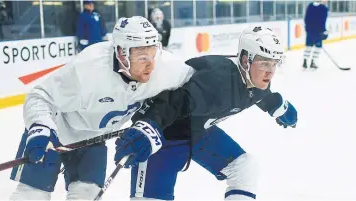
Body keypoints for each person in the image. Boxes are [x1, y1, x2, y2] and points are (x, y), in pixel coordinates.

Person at [9, 16, 195, 200]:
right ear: (122, 54)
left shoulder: (165, 68)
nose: (151, 64)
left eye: (153, 53)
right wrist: (40, 127)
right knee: (32, 195)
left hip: (93, 139)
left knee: (86, 195)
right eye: (142, 57)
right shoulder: (89, 68)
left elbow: (201, 83)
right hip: (54, 131)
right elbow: (40, 96)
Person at [114, 26, 298, 200]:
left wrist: (278, 106)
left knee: (244, 168)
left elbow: (258, 94)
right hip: (164, 137)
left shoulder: (256, 79)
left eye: (274, 63)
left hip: (200, 133)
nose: (270, 72)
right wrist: (147, 126)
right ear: (245, 60)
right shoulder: (216, 80)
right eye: (265, 63)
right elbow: (174, 102)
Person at [303, 0, 329, 70]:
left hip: (310, 31)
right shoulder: (323, 8)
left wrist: (307, 28)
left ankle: (304, 62)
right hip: (318, 31)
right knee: (318, 47)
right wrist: (323, 31)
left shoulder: (310, 5)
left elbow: (306, 19)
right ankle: (313, 62)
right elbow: (322, 21)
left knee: (308, 46)